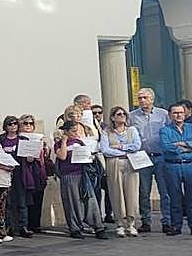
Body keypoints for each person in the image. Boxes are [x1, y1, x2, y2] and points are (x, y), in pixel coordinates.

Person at [55, 120, 107, 240]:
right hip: (68, 175)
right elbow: (62, 156)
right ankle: (75, 228)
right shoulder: (59, 144)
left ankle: (98, 226)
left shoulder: (80, 142)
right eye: (73, 131)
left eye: (77, 131)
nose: (76, 133)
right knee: (72, 202)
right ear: (66, 131)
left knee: (90, 199)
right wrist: (64, 141)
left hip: (82, 174)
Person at [130, 88, 171, 234]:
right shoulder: (132, 116)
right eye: (140, 98)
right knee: (144, 191)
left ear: (152, 99)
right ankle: (146, 221)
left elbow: (169, 132)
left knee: (164, 191)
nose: (142, 101)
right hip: (143, 157)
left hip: (161, 156)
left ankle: (167, 221)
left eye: (145, 98)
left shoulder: (163, 114)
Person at [161, 103, 192, 236]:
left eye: (181, 112)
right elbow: (167, 147)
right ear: (170, 115)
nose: (178, 115)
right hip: (172, 165)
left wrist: (183, 144)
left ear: (185, 114)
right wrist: (189, 147)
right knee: (175, 197)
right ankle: (176, 226)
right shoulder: (165, 130)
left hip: (191, 165)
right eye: (175, 113)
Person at [99, 107, 141, 237]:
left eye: (124, 114)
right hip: (114, 163)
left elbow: (137, 146)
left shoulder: (132, 130)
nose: (122, 116)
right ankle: (120, 223)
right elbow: (105, 149)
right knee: (116, 192)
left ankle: (131, 223)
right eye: (119, 114)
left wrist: (121, 147)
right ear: (112, 117)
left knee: (132, 192)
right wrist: (124, 152)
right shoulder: (106, 132)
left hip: (131, 163)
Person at [0, 116, 32, 239]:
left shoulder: (23, 139)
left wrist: (30, 158)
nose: (13, 126)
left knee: (22, 201)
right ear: (5, 126)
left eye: (15, 124)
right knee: (8, 201)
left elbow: (29, 157)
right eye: (10, 124)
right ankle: (9, 226)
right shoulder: (1, 139)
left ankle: (23, 226)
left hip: (20, 172)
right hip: (6, 171)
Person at [16, 115, 50, 233]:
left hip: (38, 170)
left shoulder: (38, 137)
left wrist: (45, 149)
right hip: (25, 171)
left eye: (31, 123)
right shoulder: (18, 138)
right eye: (25, 123)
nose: (28, 126)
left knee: (38, 197)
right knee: (27, 199)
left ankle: (36, 224)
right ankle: (27, 225)